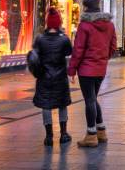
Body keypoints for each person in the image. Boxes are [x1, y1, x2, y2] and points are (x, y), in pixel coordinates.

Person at [68, 0, 117, 148]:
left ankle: (91, 135)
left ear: (85, 7)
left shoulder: (85, 25)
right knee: (93, 99)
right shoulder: (109, 24)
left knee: (89, 100)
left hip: (86, 70)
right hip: (101, 68)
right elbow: (113, 45)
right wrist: (103, 58)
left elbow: (78, 50)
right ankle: (101, 131)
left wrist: (72, 70)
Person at [32, 8, 73, 146]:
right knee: (62, 104)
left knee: (46, 105)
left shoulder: (40, 39)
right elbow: (69, 52)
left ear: (48, 23)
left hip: (44, 77)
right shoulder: (64, 39)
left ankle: (49, 136)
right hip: (60, 77)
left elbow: (34, 54)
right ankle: (64, 134)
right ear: (59, 23)